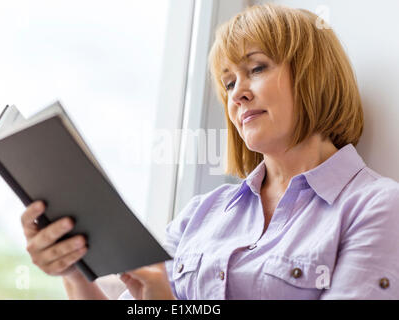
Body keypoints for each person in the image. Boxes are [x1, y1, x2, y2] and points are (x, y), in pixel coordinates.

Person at [20, 3, 399, 300]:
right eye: (229, 82)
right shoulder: (200, 216)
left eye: (257, 68)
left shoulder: (376, 206)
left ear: (313, 75)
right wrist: (71, 267)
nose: (237, 93)